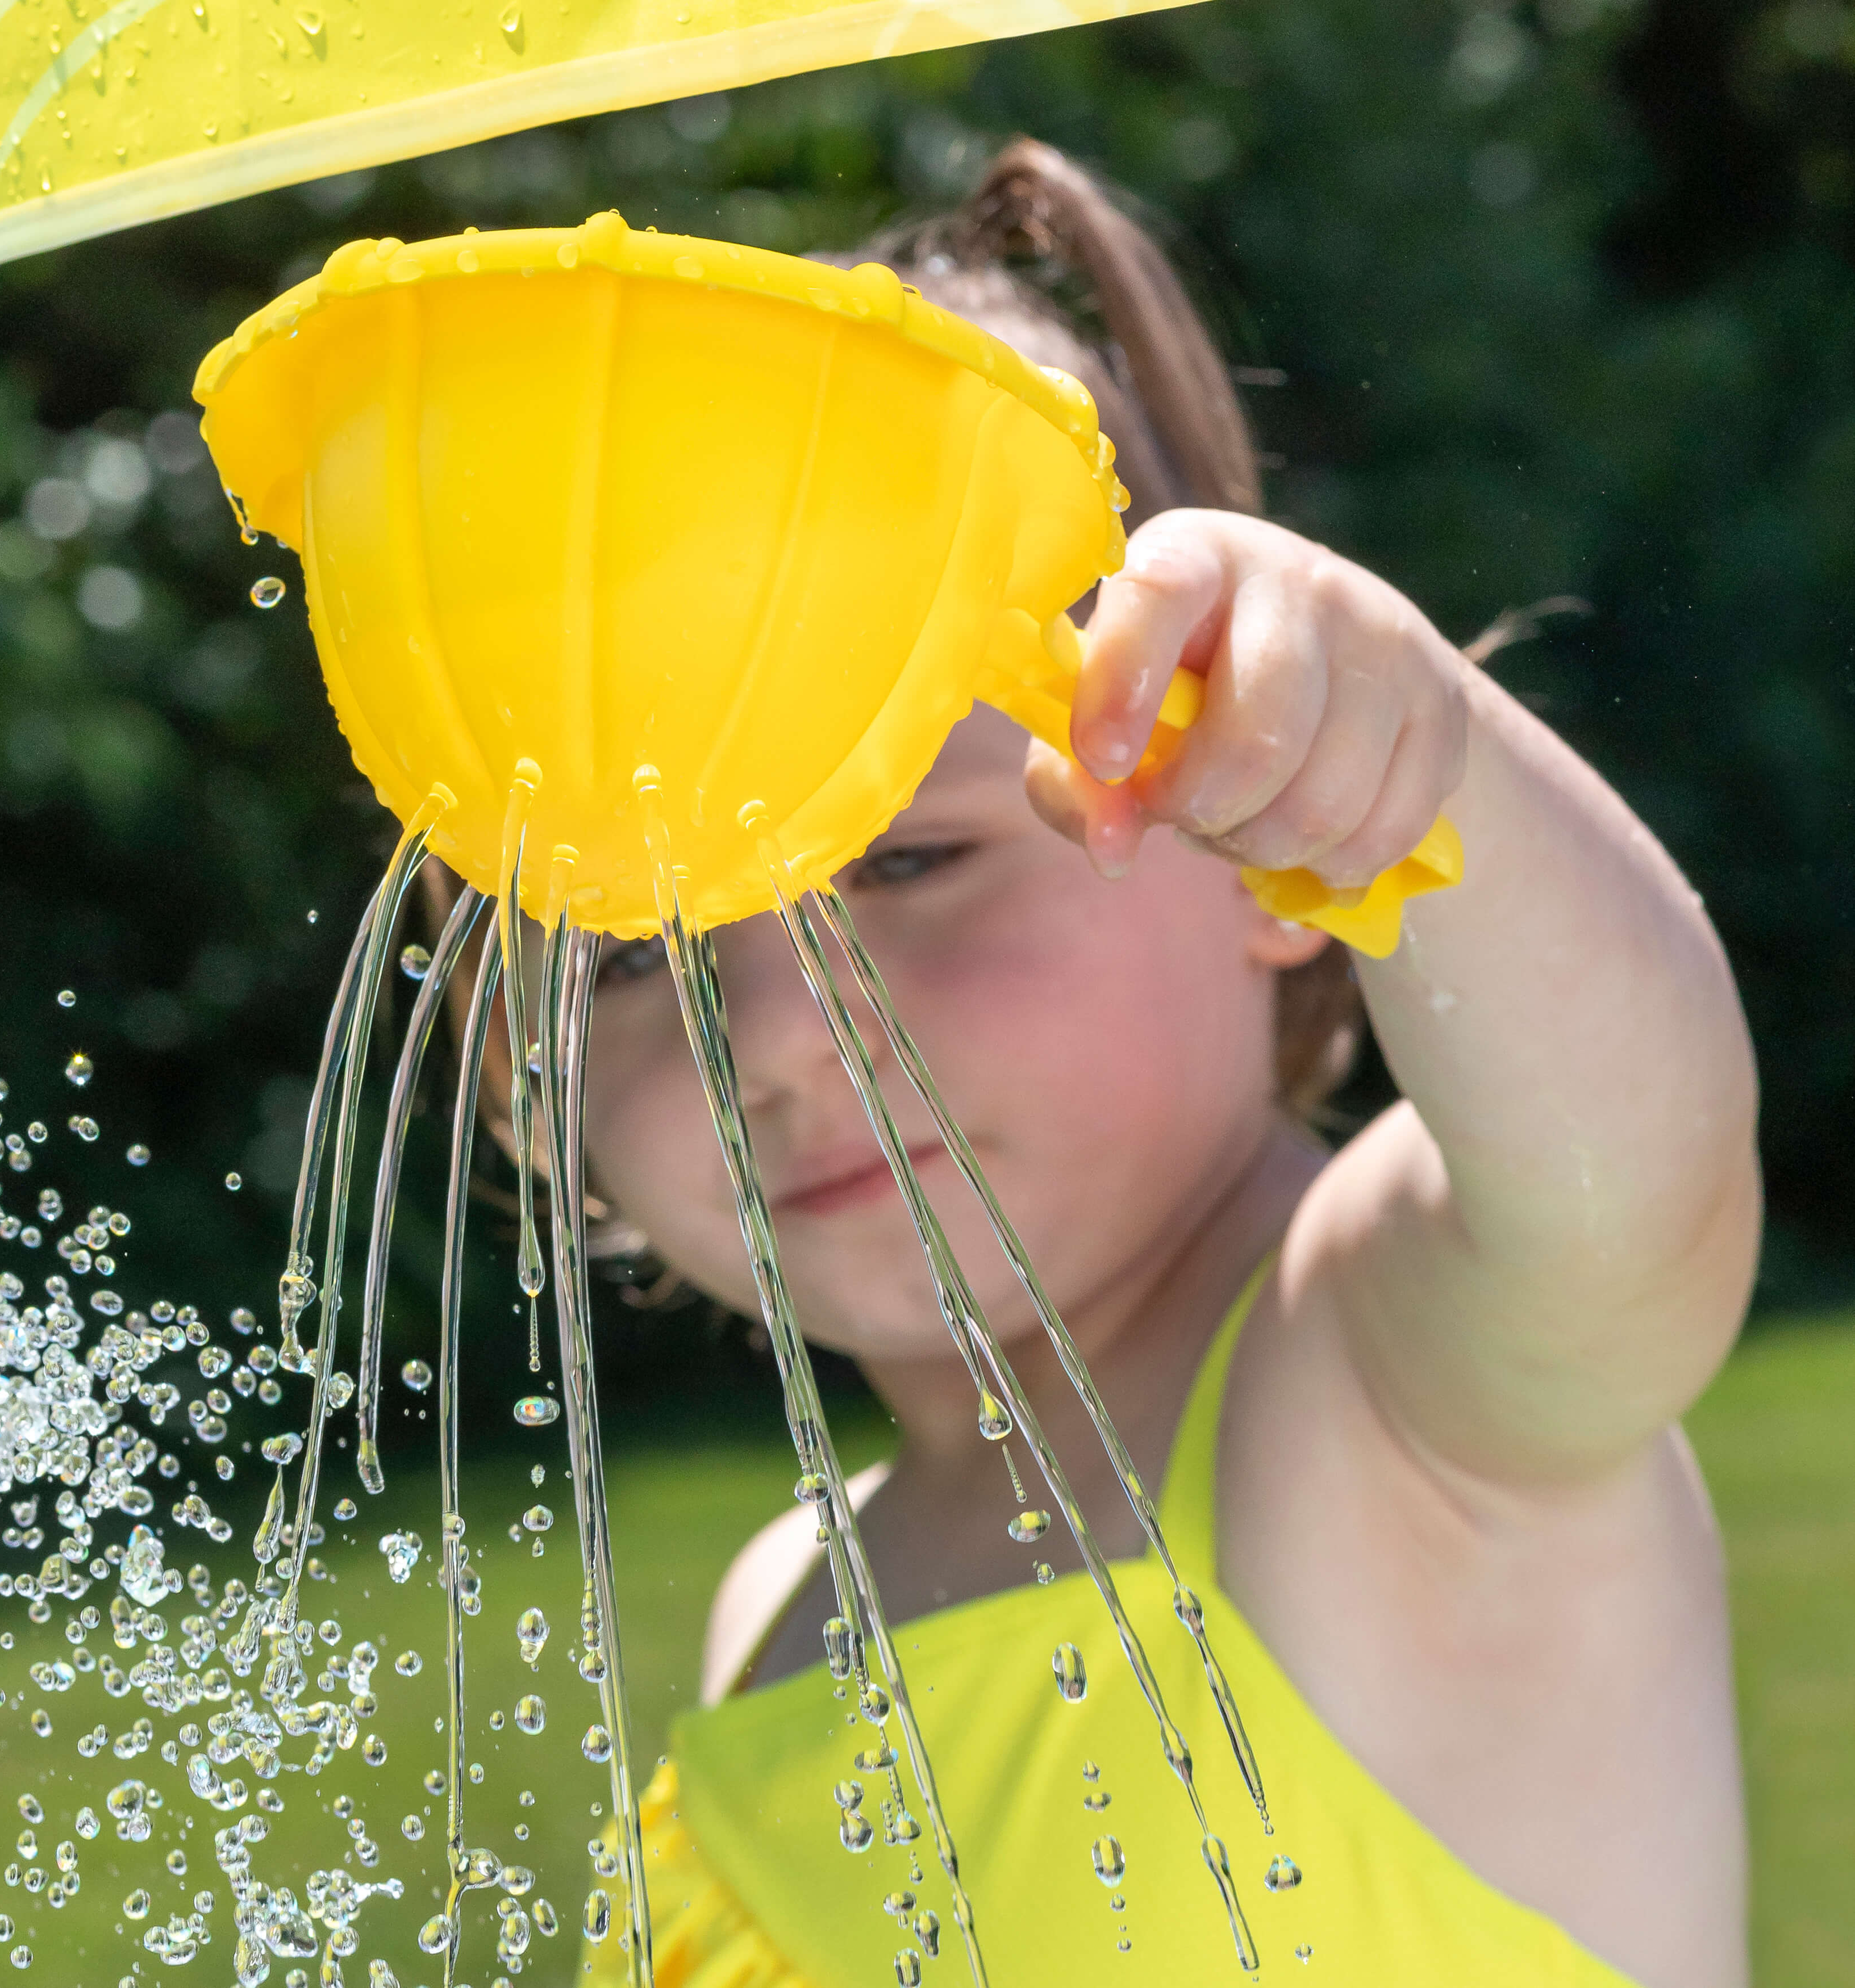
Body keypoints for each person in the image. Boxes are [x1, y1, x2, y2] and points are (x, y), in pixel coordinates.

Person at [518, 140, 1757, 1988]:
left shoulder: (1386, 1397)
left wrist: (1409, 769)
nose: (769, 1035)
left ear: (1267, 859)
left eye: (911, 861)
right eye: (626, 948)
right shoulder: (787, 1603)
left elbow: (1629, 1181)